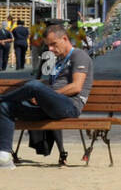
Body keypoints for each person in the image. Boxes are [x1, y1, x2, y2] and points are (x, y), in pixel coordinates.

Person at [0, 23, 93, 169]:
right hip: (50, 107)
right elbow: (54, 84)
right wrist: (43, 95)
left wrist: (45, 93)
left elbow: (76, 87)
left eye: (53, 44)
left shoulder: (79, 56)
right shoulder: (59, 60)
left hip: (70, 107)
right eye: (48, 45)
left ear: (64, 38)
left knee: (34, 85)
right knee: (5, 107)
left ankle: (2, 97)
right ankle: (4, 157)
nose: (50, 49)